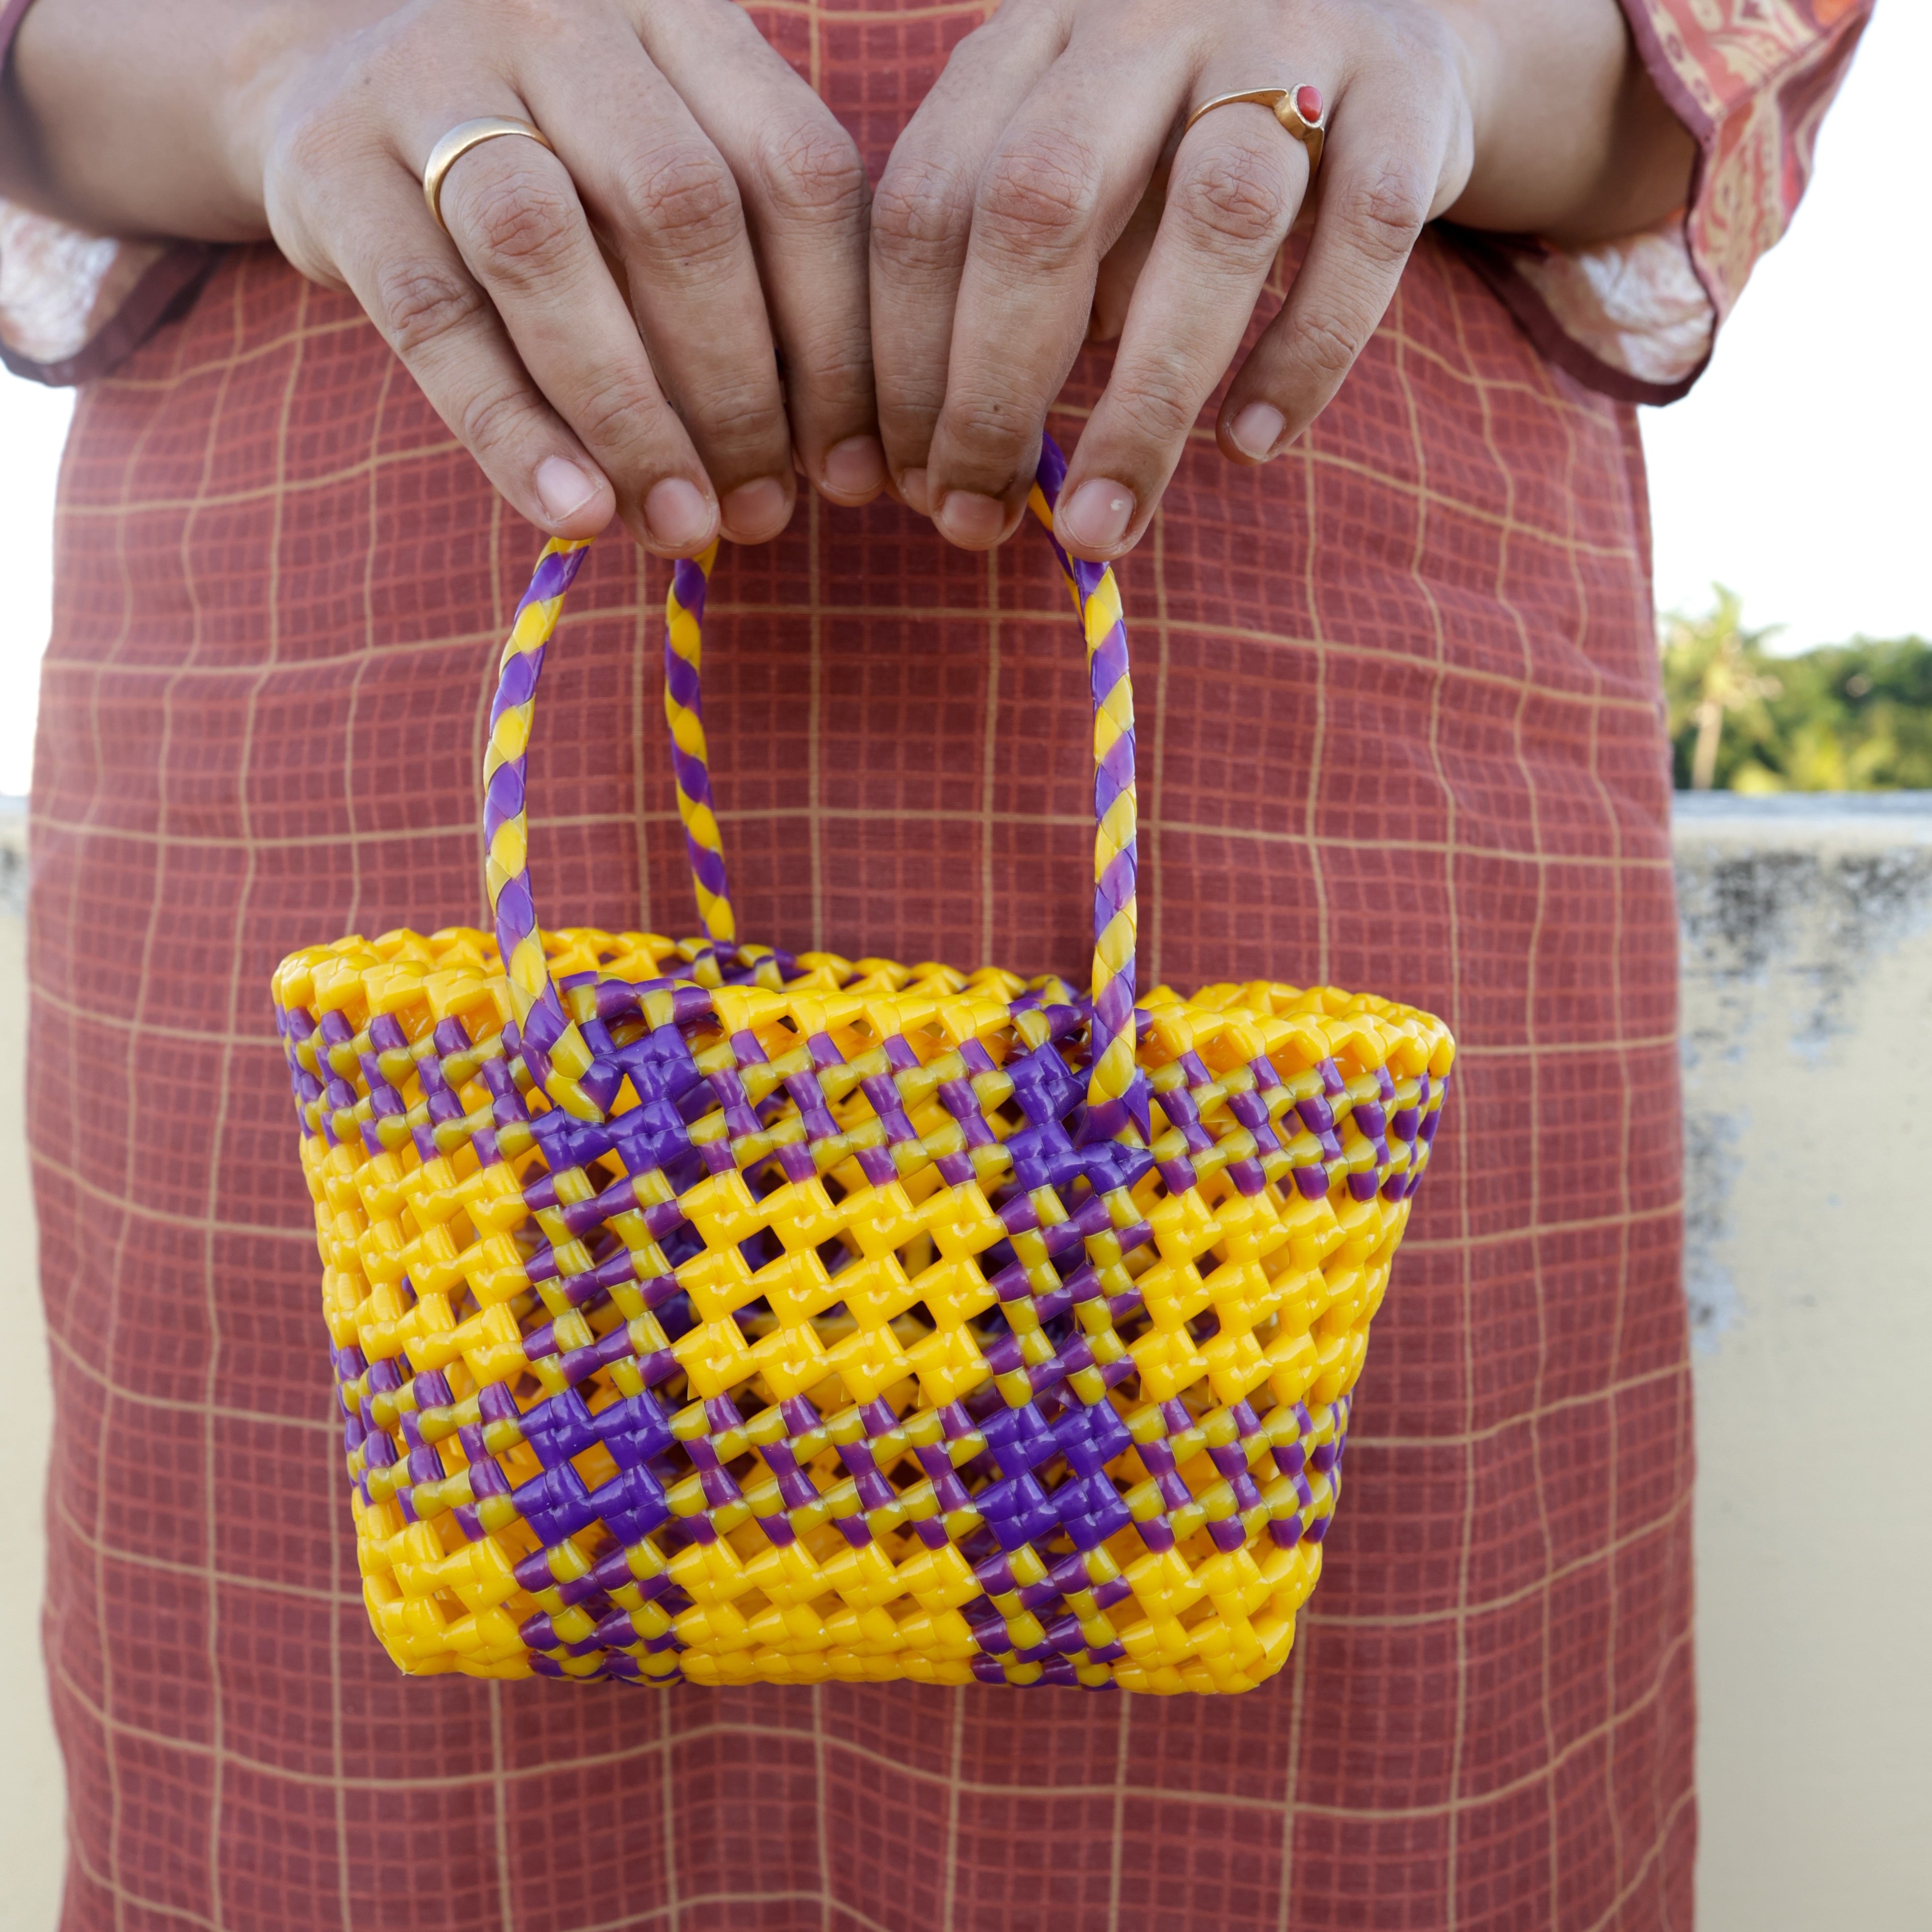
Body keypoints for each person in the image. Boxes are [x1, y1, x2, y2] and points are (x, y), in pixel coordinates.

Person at [0, 1, 1865, 1927]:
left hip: (1296, 616)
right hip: (375, 599)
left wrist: (1439, 41)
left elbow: (1705, 68)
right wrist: (267, 62)